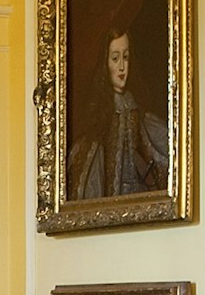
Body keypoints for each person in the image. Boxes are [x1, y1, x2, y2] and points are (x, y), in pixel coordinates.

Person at [68, 19, 168, 201]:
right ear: (105, 62)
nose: (122, 67)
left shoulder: (137, 110)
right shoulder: (99, 114)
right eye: (115, 58)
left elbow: (156, 148)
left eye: (126, 57)